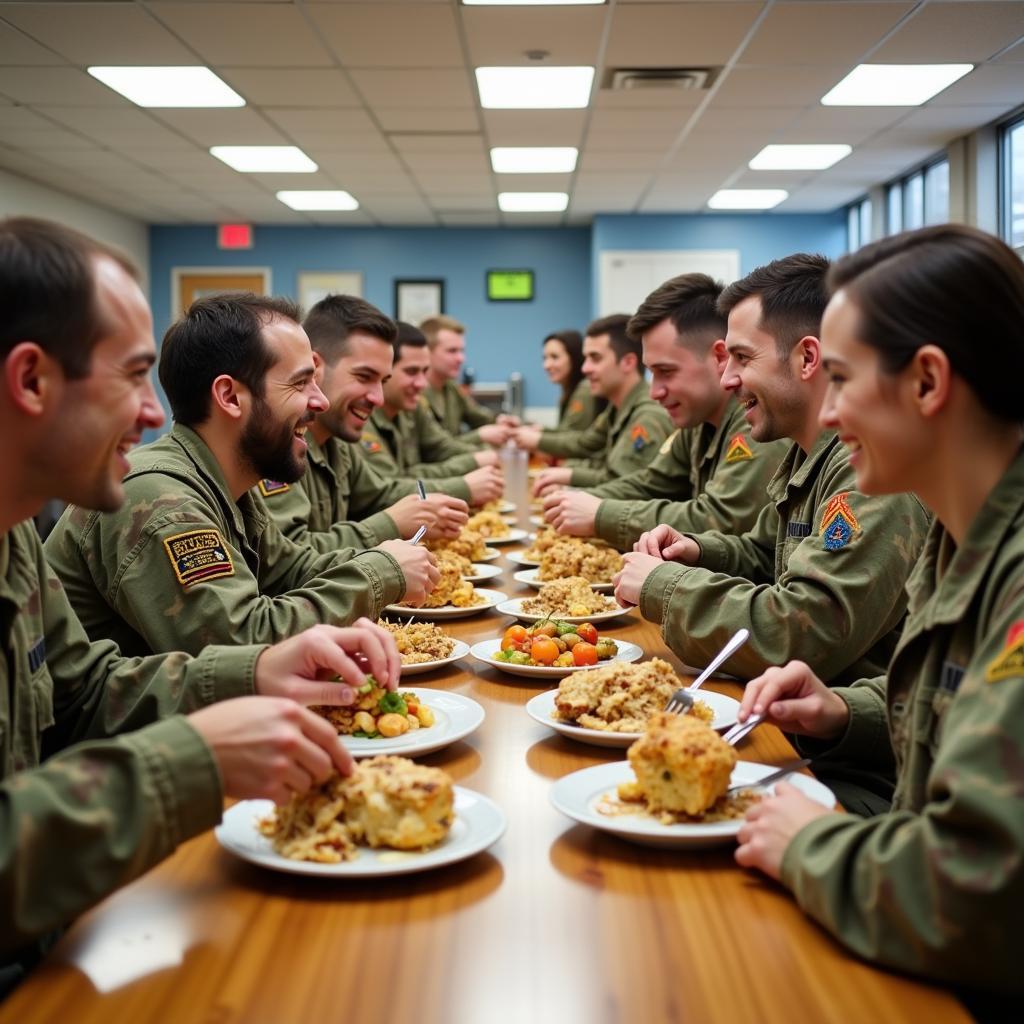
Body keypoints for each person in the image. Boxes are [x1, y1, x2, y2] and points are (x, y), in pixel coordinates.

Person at [0, 217, 402, 989]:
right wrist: (194, 758)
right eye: (128, 376)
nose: (153, 413)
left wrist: (255, 673)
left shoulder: (13, 530)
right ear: (31, 380)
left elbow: (85, 694)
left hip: (64, 926)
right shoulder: (157, 492)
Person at [733, 225, 1024, 1007]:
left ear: (927, 382)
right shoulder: (955, 534)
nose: (826, 416)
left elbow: (983, 894)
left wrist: (814, 847)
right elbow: (968, 717)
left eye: (842, 378)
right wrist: (846, 711)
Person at [44, 293, 440, 658]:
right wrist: (378, 574)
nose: (319, 401)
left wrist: (388, 559)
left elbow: (290, 571)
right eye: (301, 383)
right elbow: (241, 644)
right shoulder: (163, 501)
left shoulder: (226, 482)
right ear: (230, 397)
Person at [613, 255, 930, 702]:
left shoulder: (872, 471)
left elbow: (803, 633)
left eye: (742, 357)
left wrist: (663, 586)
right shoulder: (810, 453)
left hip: (834, 755)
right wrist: (696, 550)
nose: (726, 378)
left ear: (807, 358)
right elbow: (768, 555)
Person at [542, 275, 788, 549]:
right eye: (652, 373)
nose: (655, 391)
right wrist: (577, 501)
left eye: (666, 372)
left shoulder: (754, 421)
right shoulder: (697, 420)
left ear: (718, 357)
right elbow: (651, 484)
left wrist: (601, 513)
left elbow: (719, 519)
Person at [261, 297, 501, 551]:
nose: (378, 397)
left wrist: (426, 507)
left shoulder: (337, 441)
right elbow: (290, 557)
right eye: (364, 376)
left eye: (383, 381)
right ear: (315, 368)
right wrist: (393, 523)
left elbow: (380, 494)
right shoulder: (278, 444)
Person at [514, 314, 674, 496]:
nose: (585, 368)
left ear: (628, 362)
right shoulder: (617, 407)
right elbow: (586, 443)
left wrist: (568, 477)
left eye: (595, 358)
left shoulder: (648, 416)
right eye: (586, 358)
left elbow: (621, 483)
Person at [358, 321, 503, 486]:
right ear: (384, 371)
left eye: (425, 371)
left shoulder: (414, 403)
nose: (422, 383)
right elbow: (394, 484)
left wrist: (480, 456)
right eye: (411, 372)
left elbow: (441, 447)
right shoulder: (361, 418)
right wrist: (465, 482)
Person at [421, 314, 516, 445]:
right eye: (452, 351)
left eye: (461, 351)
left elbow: (479, 417)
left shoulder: (451, 388)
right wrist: (480, 435)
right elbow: (436, 448)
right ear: (427, 352)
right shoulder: (416, 393)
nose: (461, 359)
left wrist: (501, 421)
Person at [542, 328, 605, 433]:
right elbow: (563, 433)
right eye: (545, 358)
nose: (546, 365)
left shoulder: (585, 389)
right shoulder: (569, 390)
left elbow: (569, 438)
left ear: (574, 358)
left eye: (554, 357)